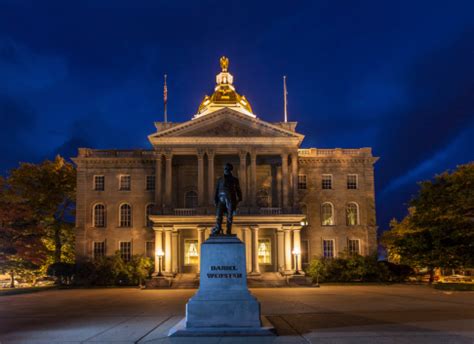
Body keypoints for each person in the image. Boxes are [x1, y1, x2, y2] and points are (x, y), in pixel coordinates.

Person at [211, 163, 242, 235]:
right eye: (225, 168)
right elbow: (216, 190)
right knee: (218, 215)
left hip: (230, 199)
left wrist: (240, 198)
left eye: (227, 169)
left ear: (230, 170)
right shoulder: (220, 180)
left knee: (229, 216)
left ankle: (228, 230)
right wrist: (215, 200)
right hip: (221, 199)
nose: (225, 170)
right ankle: (218, 228)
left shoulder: (234, 180)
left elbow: (238, 189)